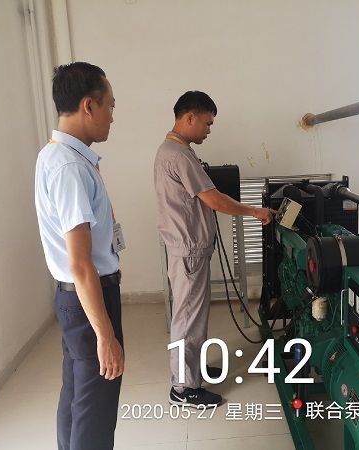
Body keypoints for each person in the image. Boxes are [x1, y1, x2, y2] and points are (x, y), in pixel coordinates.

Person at [154, 91, 273, 408]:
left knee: (193, 315)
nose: (209, 130)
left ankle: (192, 370)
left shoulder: (174, 151)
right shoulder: (179, 155)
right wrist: (255, 211)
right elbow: (215, 200)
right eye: (207, 123)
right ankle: (183, 388)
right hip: (189, 251)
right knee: (187, 318)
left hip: (188, 249)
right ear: (189, 117)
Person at [35, 62, 124, 450]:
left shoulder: (55, 155)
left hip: (74, 298)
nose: (112, 116)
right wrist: (105, 335)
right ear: (89, 105)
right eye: (110, 105)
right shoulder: (70, 166)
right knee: (95, 410)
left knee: (77, 399)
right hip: (89, 297)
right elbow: (81, 261)